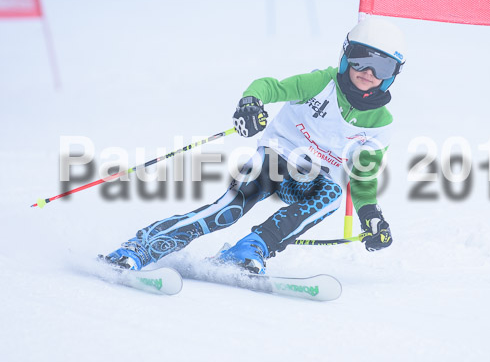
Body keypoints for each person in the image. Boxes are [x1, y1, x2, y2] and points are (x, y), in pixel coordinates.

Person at [101, 17, 406, 274]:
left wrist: (371, 215)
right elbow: (270, 87)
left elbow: (363, 177)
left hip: (310, 180)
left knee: (332, 196)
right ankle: (143, 246)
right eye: (361, 59)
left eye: (382, 67)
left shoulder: (381, 124)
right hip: (274, 158)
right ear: (345, 56)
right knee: (229, 210)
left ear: (392, 75)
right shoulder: (322, 83)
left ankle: (249, 250)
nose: (368, 72)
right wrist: (251, 102)